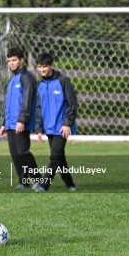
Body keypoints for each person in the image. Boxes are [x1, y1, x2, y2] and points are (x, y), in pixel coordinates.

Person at [0, 47, 42, 190]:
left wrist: (22, 120)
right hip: (10, 124)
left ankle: (38, 180)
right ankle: (23, 182)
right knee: (15, 154)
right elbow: (9, 105)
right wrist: (4, 123)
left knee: (23, 152)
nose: (11, 63)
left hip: (20, 123)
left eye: (14, 60)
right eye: (9, 60)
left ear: (22, 61)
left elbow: (27, 101)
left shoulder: (27, 78)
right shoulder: (12, 80)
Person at [35, 52, 78, 192]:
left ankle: (44, 185)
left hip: (61, 127)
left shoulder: (63, 80)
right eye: (40, 67)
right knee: (59, 158)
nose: (43, 70)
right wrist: (40, 129)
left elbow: (72, 104)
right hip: (49, 128)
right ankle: (70, 184)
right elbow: (39, 108)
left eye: (45, 66)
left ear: (52, 66)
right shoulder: (40, 85)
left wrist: (67, 124)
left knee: (54, 157)